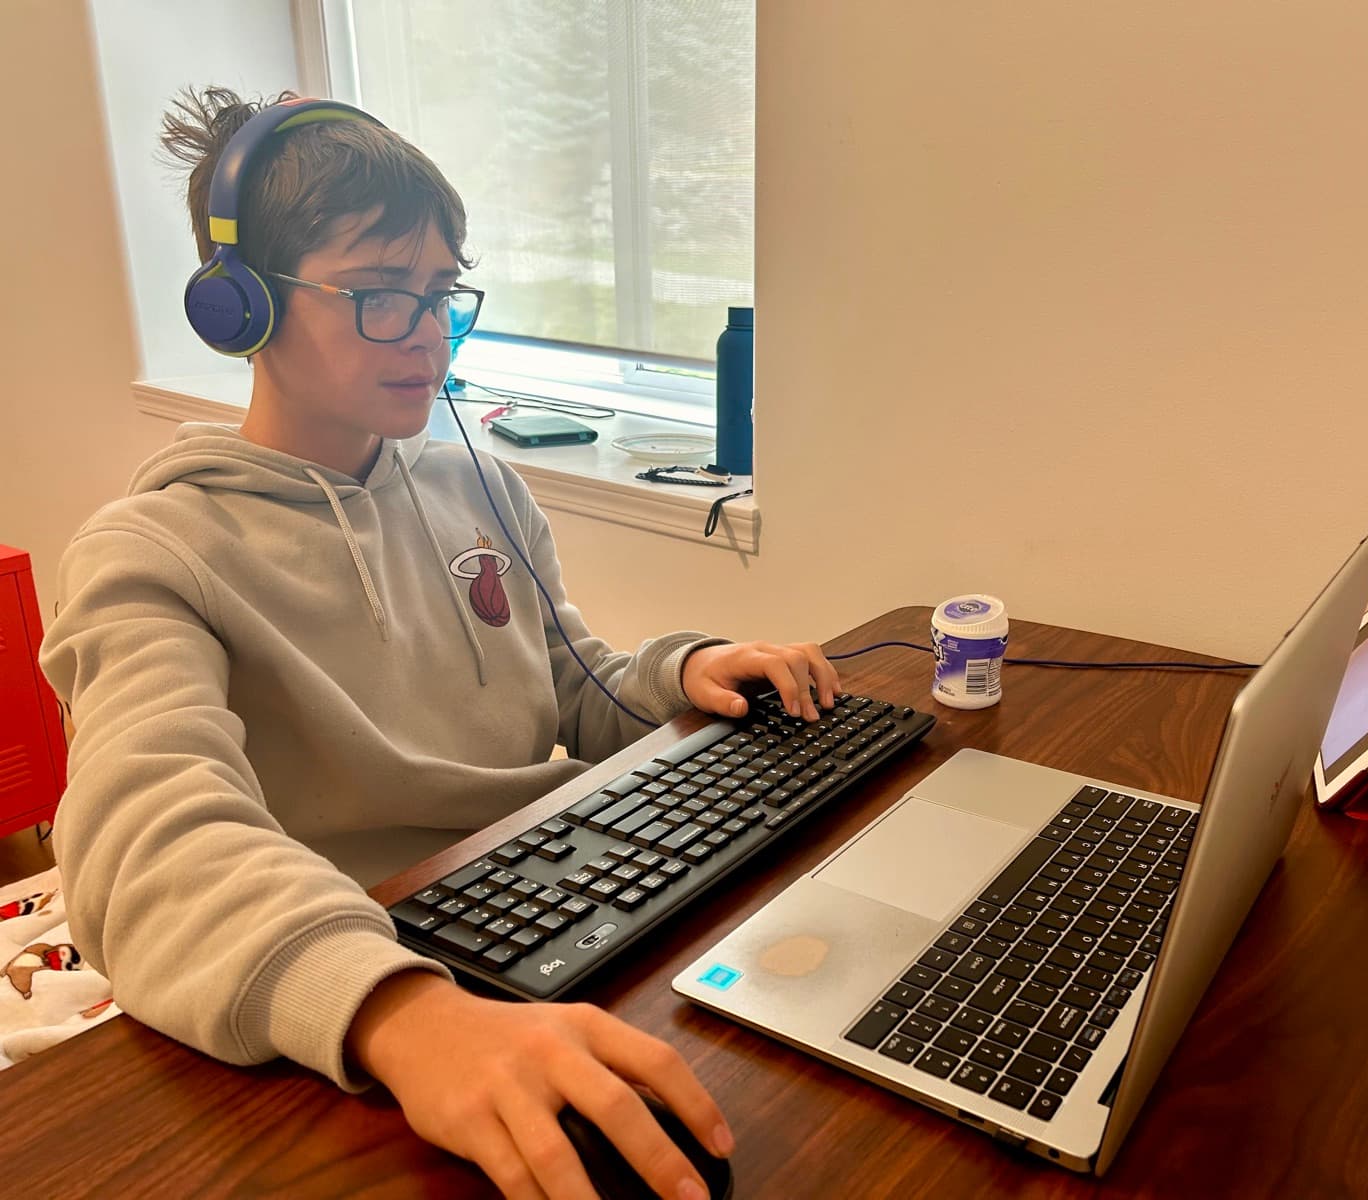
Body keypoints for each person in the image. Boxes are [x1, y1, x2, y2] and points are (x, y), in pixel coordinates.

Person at [39, 86, 838, 1200]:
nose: (424, 332)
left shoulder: (480, 484)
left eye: (440, 293)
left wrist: (680, 674)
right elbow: (143, 840)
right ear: (240, 308)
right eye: (376, 294)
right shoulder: (151, 552)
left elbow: (573, 685)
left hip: (560, 908)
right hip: (362, 986)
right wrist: (404, 1013)